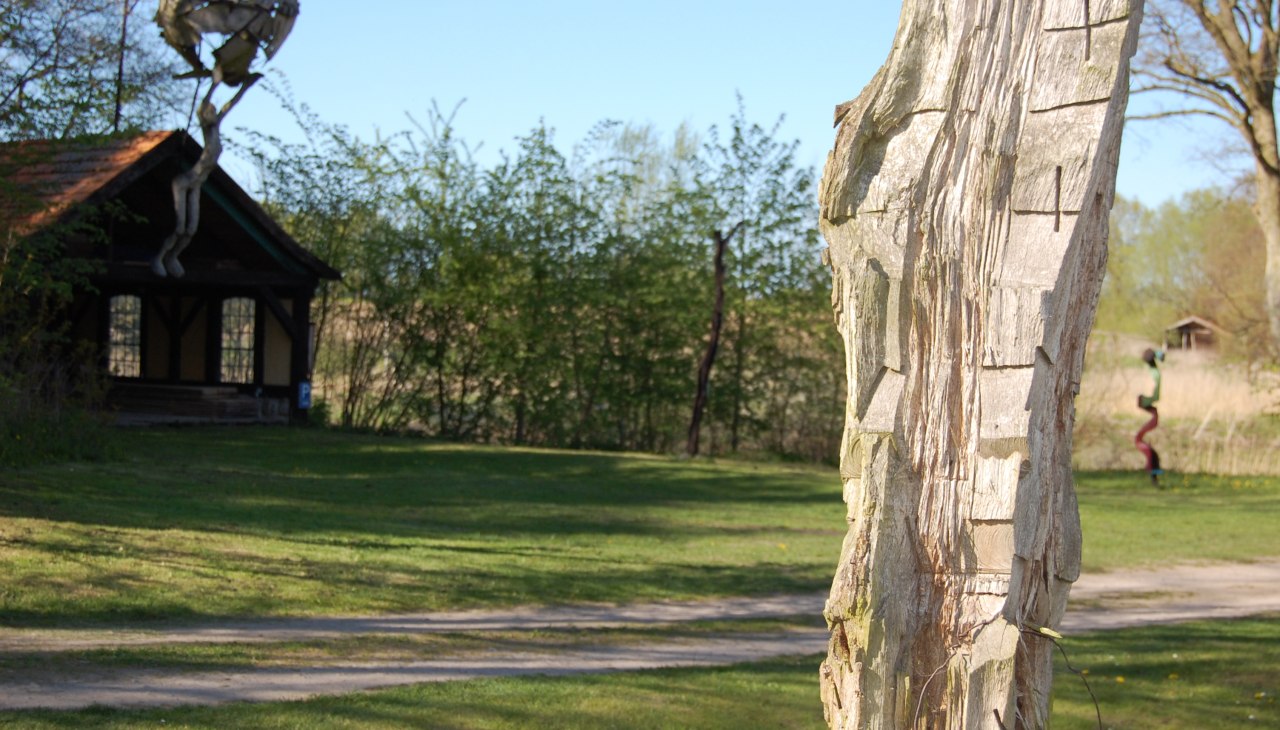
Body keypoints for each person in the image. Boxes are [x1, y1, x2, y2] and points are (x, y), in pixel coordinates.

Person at [1135, 347, 1165, 485]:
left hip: (1148, 406)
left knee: (1142, 443)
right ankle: (1153, 475)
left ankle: (1153, 474)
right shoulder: (1155, 373)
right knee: (1145, 447)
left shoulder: (1151, 373)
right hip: (1149, 406)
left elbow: (1152, 393)